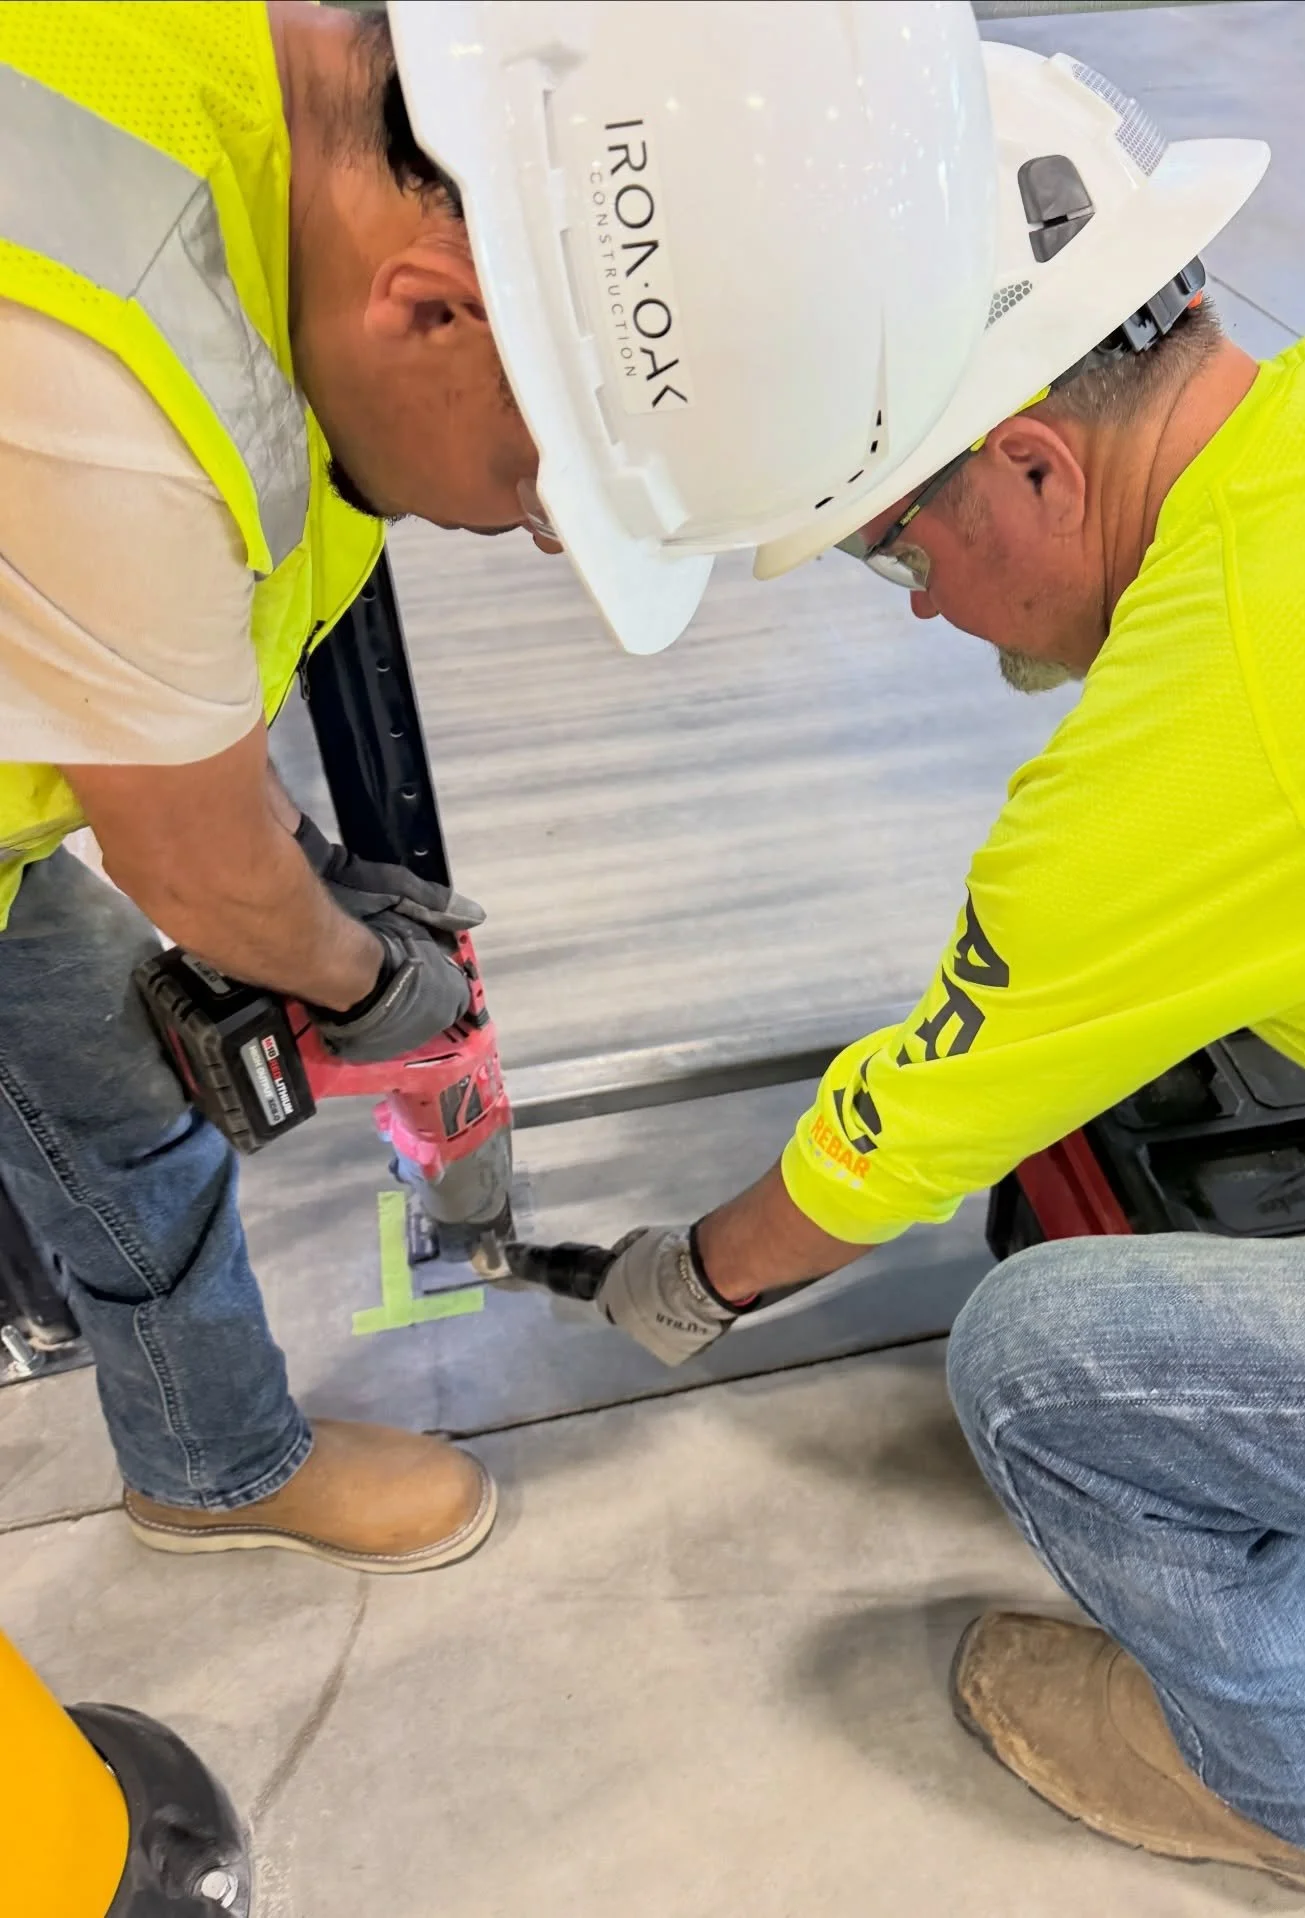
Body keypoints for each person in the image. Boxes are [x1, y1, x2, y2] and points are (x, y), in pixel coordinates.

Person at [541, 43, 1305, 1906]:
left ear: (1032, 457)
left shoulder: (1201, 729)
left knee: (1035, 1362)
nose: (928, 604)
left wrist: (683, 1282)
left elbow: (903, 1137)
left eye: (892, 550)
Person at [0, 0, 996, 1572]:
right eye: (543, 480)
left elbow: (152, 666)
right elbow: (191, 873)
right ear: (434, 306)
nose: (541, 534)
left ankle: (212, 1457)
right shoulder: (99, 358)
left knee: (116, 1105)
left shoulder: (281, 91)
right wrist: (367, 980)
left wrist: (296, 860)